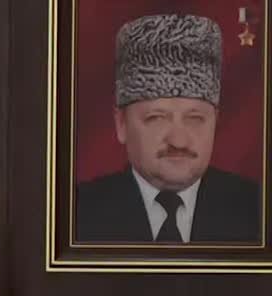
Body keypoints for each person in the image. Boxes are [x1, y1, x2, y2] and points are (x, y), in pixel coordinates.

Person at [76, 13, 261, 245]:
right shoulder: (75, 214)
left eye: (195, 118)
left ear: (215, 120)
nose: (178, 141)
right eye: (156, 118)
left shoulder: (258, 210)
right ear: (121, 123)